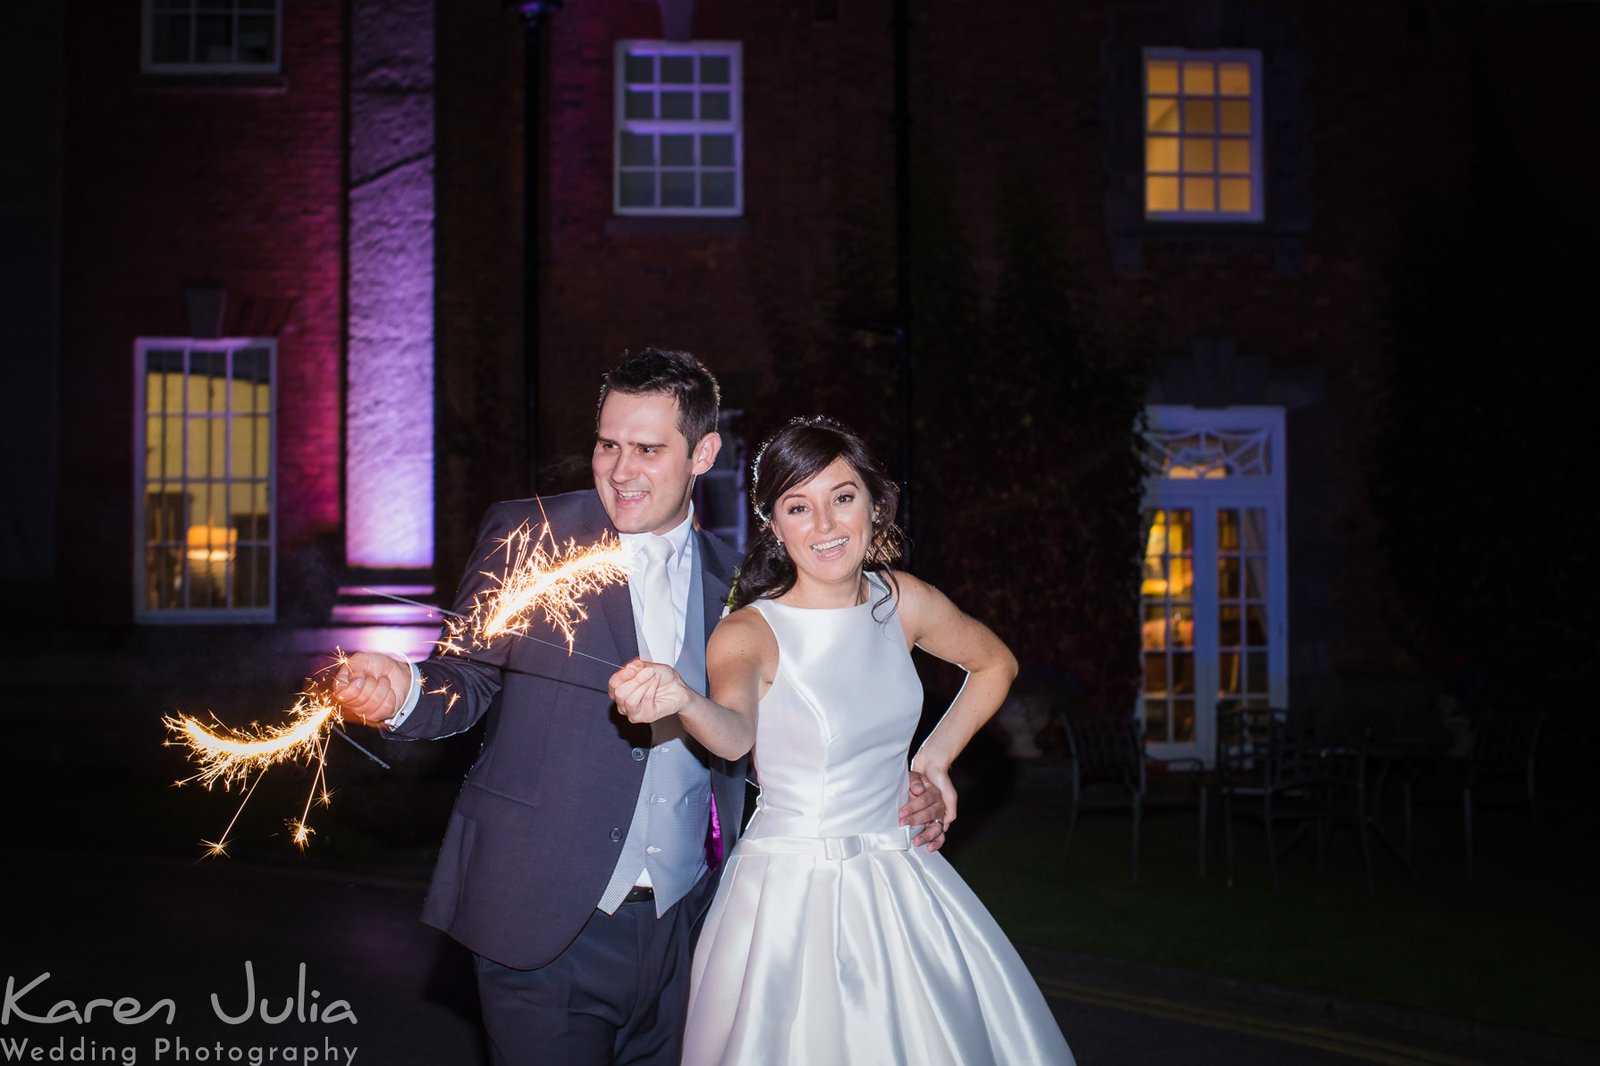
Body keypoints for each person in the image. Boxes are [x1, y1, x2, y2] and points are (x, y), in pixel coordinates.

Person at [332, 350, 948, 1066]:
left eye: (649, 450)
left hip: (692, 929)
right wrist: (401, 689)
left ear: (704, 453)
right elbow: (465, 679)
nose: (621, 471)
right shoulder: (529, 536)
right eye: (608, 445)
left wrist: (889, 793)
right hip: (544, 917)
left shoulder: (739, 578)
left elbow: (764, 734)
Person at [608, 416, 1074, 1065]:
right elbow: (736, 736)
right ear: (773, 521)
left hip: (904, 876)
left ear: (874, 502)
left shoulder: (903, 600)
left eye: (842, 497)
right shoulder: (750, 632)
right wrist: (685, 700)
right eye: (799, 506)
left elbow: (995, 665)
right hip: (792, 895)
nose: (825, 526)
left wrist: (934, 763)